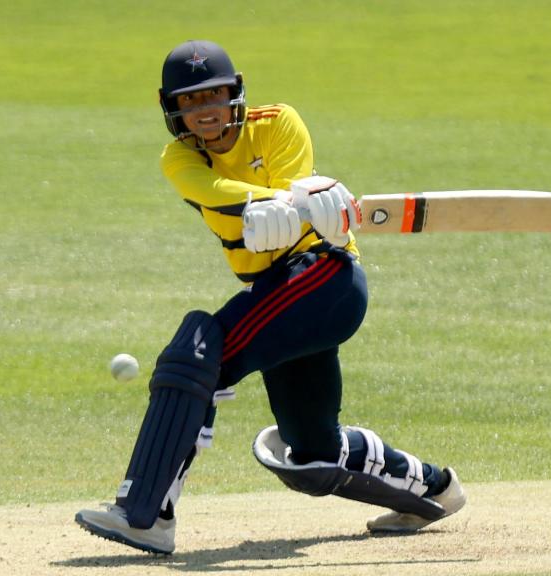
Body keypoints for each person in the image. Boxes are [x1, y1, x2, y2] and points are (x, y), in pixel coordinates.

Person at [75, 40, 465, 555]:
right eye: (191, 101)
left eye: (214, 95)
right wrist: (271, 200)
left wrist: (313, 198)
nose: (205, 110)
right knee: (311, 453)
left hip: (324, 277)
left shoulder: (278, 122)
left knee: (197, 354)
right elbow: (218, 191)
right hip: (279, 295)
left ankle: (145, 514)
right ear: (173, 109)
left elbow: (296, 188)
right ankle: (435, 488)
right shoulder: (179, 158)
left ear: (235, 93)